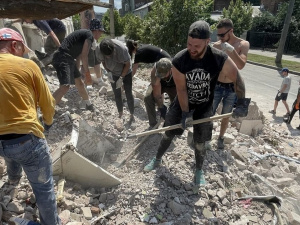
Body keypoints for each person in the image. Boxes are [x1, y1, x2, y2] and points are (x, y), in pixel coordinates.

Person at [143, 20, 250, 186]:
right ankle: (157, 159)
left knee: (200, 143)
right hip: (182, 103)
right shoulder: (180, 60)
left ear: (208, 42)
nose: (192, 49)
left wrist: (242, 102)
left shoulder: (218, 58)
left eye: (197, 46)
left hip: (205, 105)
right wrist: (185, 113)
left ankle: (199, 171)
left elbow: (237, 78)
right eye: (189, 44)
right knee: (168, 132)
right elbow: (182, 90)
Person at [0, 28, 60, 225]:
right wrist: (48, 124)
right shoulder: (28, 65)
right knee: (43, 188)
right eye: (22, 49)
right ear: (14, 45)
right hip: (27, 141)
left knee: (9, 152)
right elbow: (48, 104)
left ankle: (13, 179)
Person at [212, 18, 250, 149]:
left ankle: (221, 138)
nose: (220, 37)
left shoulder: (242, 45)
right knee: (209, 113)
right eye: (219, 35)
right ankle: (205, 137)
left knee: (226, 115)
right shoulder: (217, 45)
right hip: (217, 85)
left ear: (231, 31)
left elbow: (240, 65)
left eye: (222, 35)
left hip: (231, 87)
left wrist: (231, 51)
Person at [52, 18, 105, 110]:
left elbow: (79, 57)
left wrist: (78, 73)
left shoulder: (84, 36)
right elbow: (85, 56)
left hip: (67, 58)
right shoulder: (89, 35)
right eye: (101, 32)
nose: (101, 34)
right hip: (62, 57)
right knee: (65, 86)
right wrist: (88, 75)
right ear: (96, 30)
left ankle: (88, 104)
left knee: (79, 83)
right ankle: (47, 110)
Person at [96, 38, 134, 120]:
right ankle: (120, 114)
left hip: (126, 72)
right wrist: (108, 72)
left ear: (113, 48)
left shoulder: (121, 49)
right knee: (117, 94)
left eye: (110, 54)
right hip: (113, 73)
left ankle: (132, 115)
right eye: (107, 56)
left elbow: (127, 64)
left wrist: (121, 78)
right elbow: (103, 62)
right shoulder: (99, 51)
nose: (109, 57)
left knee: (128, 93)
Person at [145, 58, 177, 127]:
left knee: (176, 103)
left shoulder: (177, 70)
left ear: (170, 70)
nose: (162, 77)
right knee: (148, 97)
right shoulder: (155, 70)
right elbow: (156, 89)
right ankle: (153, 124)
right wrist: (161, 107)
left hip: (173, 85)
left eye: (164, 75)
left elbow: (182, 90)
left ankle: (171, 124)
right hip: (159, 84)